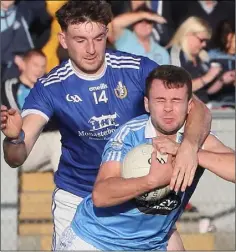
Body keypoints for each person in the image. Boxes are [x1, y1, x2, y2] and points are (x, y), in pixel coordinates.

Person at [0, 1, 211, 249]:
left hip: (135, 195)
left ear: (107, 35)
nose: (91, 49)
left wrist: (188, 145)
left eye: (98, 38)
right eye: (80, 40)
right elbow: (17, 156)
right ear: (63, 40)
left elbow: (199, 109)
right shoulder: (50, 87)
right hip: (79, 199)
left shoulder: (136, 69)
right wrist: (14, 138)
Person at [56, 65, 235, 251]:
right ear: (147, 104)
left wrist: (188, 153)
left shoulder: (196, 139)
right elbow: (101, 195)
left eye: (176, 100)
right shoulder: (129, 135)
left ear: (189, 105)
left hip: (148, 245)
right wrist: (152, 181)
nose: (168, 108)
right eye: (160, 100)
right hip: (95, 240)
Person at [1, 49, 61, 173]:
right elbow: (16, 119)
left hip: (41, 146)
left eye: (42, 66)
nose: (39, 70)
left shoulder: (47, 90)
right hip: (16, 147)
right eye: (35, 65)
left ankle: (69, 189)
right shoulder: (9, 87)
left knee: (61, 140)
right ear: (23, 65)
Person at [167, 16, 235, 104]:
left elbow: (207, 91)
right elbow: (177, 87)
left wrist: (221, 80)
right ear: (188, 34)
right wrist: (207, 77)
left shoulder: (202, 56)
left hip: (204, 106)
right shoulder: (175, 54)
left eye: (206, 41)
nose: (204, 44)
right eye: (202, 40)